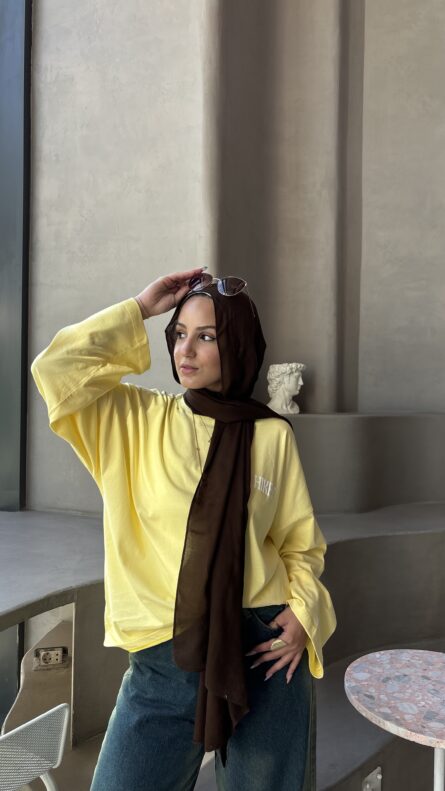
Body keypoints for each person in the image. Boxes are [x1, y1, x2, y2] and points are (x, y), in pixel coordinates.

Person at [31, 268, 336, 791]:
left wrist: (305, 613)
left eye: (207, 336)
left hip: (263, 650)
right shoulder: (133, 421)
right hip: (162, 660)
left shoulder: (271, 435)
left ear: (236, 344)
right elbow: (55, 369)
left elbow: (299, 545)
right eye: (178, 334)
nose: (185, 350)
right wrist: (141, 308)